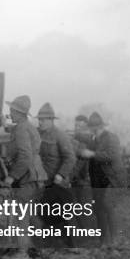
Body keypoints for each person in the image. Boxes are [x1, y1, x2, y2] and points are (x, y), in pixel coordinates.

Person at [2, 95, 47, 259]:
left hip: (27, 177)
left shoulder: (21, 129)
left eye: (12, 110)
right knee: (30, 215)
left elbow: (25, 156)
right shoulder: (27, 127)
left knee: (22, 216)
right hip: (37, 176)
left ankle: (22, 253)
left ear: (18, 112)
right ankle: (39, 245)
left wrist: (11, 176)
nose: (10, 112)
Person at [80, 112, 127, 247]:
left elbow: (111, 155)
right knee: (99, 207)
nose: (94, 130)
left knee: (107, 204)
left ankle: (115, 240)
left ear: (99, 127)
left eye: (95, 128)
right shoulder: (94, 140)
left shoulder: (111, 138)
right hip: (98, 180)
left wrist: (92, 154)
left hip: (113, 179)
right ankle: (103, 241)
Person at [36, 103, 76, 248]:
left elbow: (70, 158)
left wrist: (60, 174)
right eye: (39, 119)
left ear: (51, 120)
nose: (40, 122)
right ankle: (49, 243)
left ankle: (73, 244)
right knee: (45, 213)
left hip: (59, 181)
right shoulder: (37, 134)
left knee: (66, 213)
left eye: (44, 120)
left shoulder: (60, 135)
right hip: (45, 182)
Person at [71, 114, 92, 203]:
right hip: (77, 176)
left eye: (79, 126)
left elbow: (82, 160)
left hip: (84, 177)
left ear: (86, 127)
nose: (77, 128)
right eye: (76, 125)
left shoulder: (88, 138)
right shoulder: (77, 139)